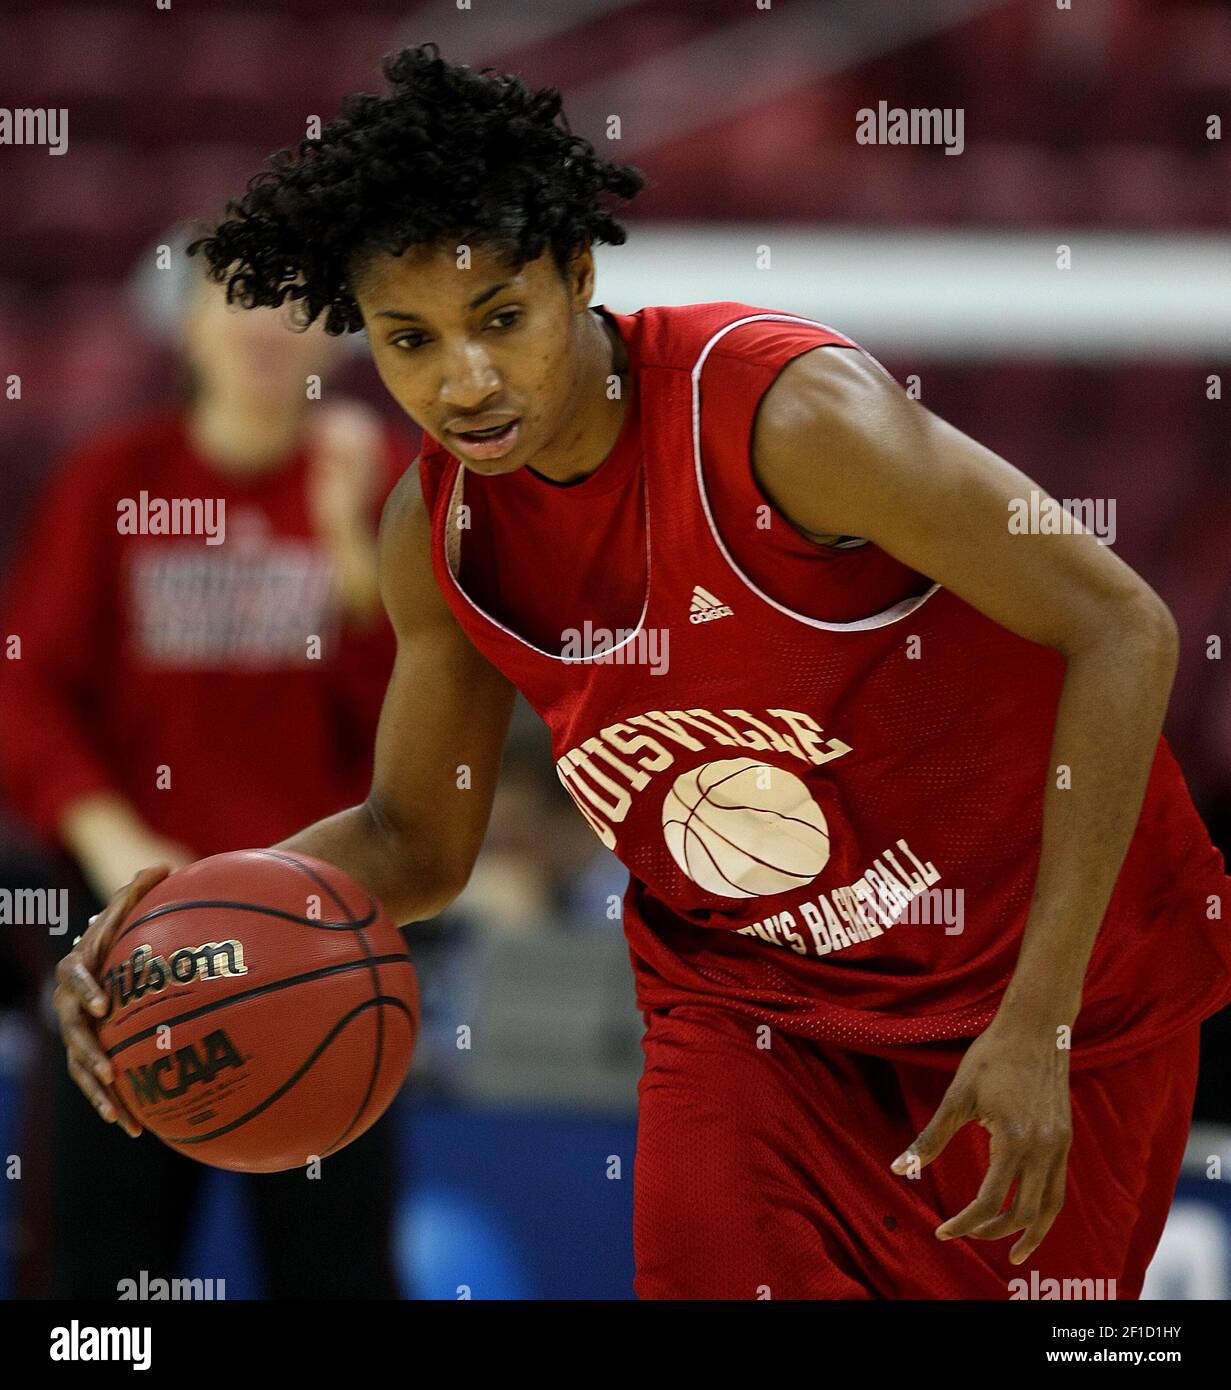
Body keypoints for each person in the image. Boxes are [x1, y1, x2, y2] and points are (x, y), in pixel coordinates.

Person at [54, 44, 1231, 1300]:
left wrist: (1041, 1017)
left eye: (500, 319)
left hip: (1038, 986)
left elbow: (1123, 628)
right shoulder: (438, 532)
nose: (465, 380)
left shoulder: (788, 421)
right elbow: (414, 840)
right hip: (748, 1004)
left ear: (577, 273)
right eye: (409, 341)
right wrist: (178, 934)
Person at [0, 234, 405, 1297]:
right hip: (131, 925)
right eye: (238, 298)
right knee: (102, 1280)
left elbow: (423, 730)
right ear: (184, 324)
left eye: (292, 301)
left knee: (339, 1273)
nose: (265, 324)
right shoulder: (110, 479)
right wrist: (108, 834)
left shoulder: (387, 484)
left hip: (323, 935)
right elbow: (26, 692)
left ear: (334, 332)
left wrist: (353, 559)